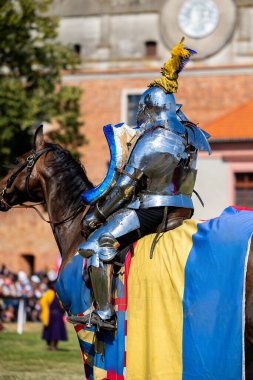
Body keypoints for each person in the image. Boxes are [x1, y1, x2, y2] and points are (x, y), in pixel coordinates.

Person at [68, 38, 211, 330]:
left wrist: (97, 214)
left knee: (98, 246)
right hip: (183, 208)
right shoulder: (191, 135)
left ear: (149, 108)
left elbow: (122, 187)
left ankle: (105, 315)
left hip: (153, 209)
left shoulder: (151, 140)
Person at [40, 281, 67, 350]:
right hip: (50, 315)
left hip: (58, 315)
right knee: (49, 331)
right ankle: (49, 345)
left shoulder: (59, 293)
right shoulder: (49, 293)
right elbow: (43, 303)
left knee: (57, 332)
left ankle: (55, 346)